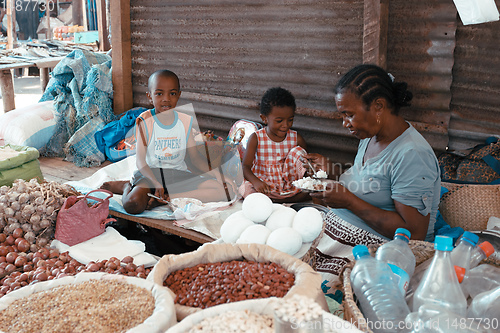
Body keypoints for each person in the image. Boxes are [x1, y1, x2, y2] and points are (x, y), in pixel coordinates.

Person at [304, 64, 441, 296]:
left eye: (349, 114)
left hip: (376, 248)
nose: (345, 123)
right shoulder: (371, 136)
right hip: (338, 231)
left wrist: (348, 201)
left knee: (310, 292)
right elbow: (371, 182)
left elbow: (414, 233)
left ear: (378, 106)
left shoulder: (412, 155)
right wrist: (332, 173)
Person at [101, 70, 232, 214]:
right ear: (149, 96)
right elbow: (141, 162)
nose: (166, 99)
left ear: (179, 95)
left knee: (221, 192)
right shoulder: (145, 121)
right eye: (159, 93)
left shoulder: (185, 122)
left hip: (177, 174)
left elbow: (195, 159)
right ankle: (126, 186)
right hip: (150, 174)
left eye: (172, 93)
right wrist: (156, 183)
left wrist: (220, 176)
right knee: (133, 204)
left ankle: (167, 198)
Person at [240, 87, 311, 203]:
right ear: (264, 119)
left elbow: (305, 168)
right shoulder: (256, 138)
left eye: (290, 120)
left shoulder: (296, 139)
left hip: (288, 187)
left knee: (298, 152)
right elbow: (245, 167)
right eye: (279, 121)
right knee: (245, 187)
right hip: (263, 187)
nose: (285, 125)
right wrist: (256, 182)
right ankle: (274, 201)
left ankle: (279, 200)